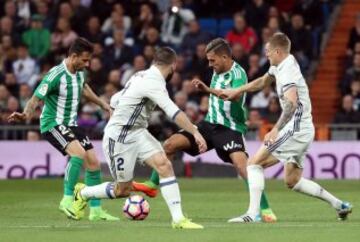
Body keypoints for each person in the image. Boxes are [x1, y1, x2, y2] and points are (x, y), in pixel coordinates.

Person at [133, 38, 277, 222]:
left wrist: (207, 89)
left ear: (225, 57)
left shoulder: (238, 73)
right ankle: (153, 185)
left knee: (244, 167)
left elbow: (231, 96)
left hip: (230, 128)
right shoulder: (218, 69)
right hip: (209, 125)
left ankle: (264, 209)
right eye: (208, 60)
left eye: (212, 60)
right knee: (170, 144)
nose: (210, 64)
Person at [219, 32, 353, 222]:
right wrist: (238, 90)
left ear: (277, 51)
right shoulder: (279, 66)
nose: (266, 55)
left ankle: (253, 214)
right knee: (292, 180)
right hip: (303, 128)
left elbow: (291, 103)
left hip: (295, 128)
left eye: (268, 52)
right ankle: (339, 205)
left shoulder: (288, 70)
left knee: (254, 164)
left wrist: (275, 129)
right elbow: (263, 81)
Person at [69, 47, 207, 229]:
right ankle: (84, 193)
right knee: (122, 190)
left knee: (164, 165)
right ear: (173, 65)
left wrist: (115, 110)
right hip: (119, 136)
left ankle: (178, 219)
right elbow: (173, 111)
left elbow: (117, 97)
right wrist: (195, 131)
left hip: (138, 132)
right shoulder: (154, 82)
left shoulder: (139, 75)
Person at [7, 38, 118, 221]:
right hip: (53, 124)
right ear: (73, 56)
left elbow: (85, 89)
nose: (88, 64)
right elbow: (36, 97)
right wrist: (26, 115)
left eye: (89, 60)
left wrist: (104, 105)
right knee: (78, 154)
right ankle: (66, 200)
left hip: (71, 125)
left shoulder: (80, 72)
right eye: (84, 60)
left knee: (94, 163)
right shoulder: (55, 75)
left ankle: (96, 211)